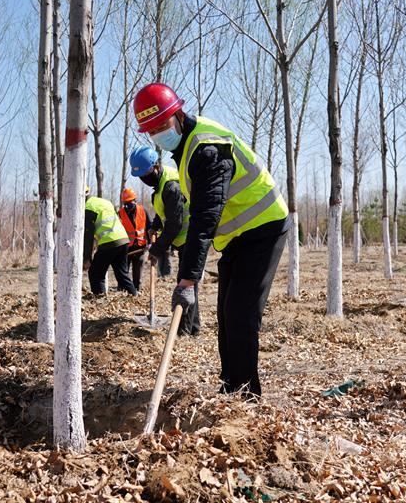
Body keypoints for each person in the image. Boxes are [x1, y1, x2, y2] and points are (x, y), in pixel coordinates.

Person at [132, 83, 288, 396]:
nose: (160, 133)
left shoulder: (207, 149)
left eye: (163, 125)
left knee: (241, 314)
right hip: (237, 237)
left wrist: (187, 280)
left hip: (264, 226)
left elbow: (204, 219)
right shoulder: (186, 148)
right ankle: (229, 386)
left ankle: (246, 395)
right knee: (226, 314)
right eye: (153, 130)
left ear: (177, 114)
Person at [129, 145, 199, 336]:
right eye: (141, 175)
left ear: (156, 166)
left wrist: (157, 249)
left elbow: (175, 223)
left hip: (191, 236)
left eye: (146, 173)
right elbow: (166, 212)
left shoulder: (171, 185)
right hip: (184, 238)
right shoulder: (160, 184)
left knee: (185, 284)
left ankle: (185, 331)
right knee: (188, 283)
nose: (145, 178)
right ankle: (192, 328)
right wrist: (156, 225)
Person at [84, 189, 137, 296]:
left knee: (95, 272)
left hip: (109, 242)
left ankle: (99, 297)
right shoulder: (103, 201)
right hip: (123, 239)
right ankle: (134, 295)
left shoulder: (88, 208)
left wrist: (87, 258)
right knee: (122, 275)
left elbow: (88, 235)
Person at [118, 187, 148, 291]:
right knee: (123, 271)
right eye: (125, 204)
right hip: (126, 248)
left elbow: (150, 227)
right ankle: (121, 289)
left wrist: (151, 243)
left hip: (140, 247)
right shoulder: (120, 213)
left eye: (129, 203)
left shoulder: (143, 211)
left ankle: (136, 290)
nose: (127, 206)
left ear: (135, 201)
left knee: (137, 272)